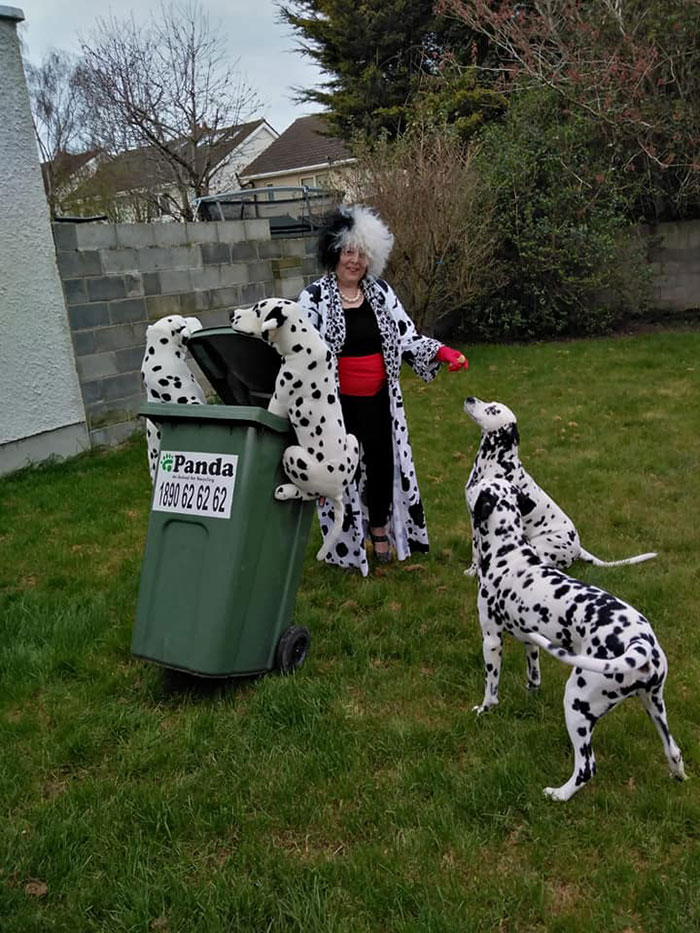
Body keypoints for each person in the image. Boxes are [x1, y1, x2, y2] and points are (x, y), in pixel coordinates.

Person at [297, 204, 469, 575]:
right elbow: (301, 351)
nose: (354, 261)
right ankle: (345, 540)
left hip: (379, 400)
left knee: (380, 465)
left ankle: (379, 529)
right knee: (342, 471)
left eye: (361, 254)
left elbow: (406, 336)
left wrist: (442, 352)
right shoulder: (313, 298)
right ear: (334, 252)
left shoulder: (380, 293)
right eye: (348, 252)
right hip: (335, 406)